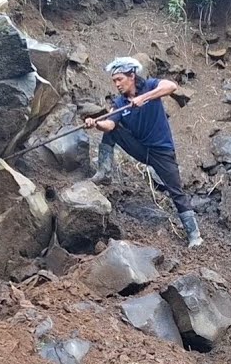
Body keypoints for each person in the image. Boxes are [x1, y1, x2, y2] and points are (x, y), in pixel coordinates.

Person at [84, 57, 202, 248]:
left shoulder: (150, 85)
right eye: (114, 81)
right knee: (113, 132)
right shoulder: (120, 102)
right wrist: (95, 123)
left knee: (176, 191)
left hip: (162, 151)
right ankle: (104, 171)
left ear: (132, 76)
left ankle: (194, 235)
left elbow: (171, 86)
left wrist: (144, 98)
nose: (117, 84)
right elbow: (110, 124)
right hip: (140, 149)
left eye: (120, 79)